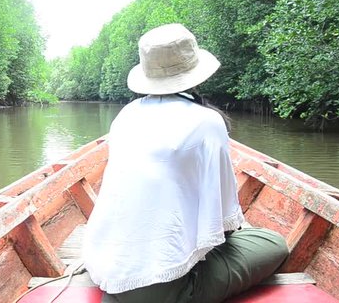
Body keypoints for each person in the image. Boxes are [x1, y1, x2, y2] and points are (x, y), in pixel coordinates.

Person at [82, 23, 289, 303]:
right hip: (161, 288)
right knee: (273, 243)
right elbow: (226, 225)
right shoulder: (207, 122)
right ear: (195, 72)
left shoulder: (126, 115)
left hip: (104, 267)